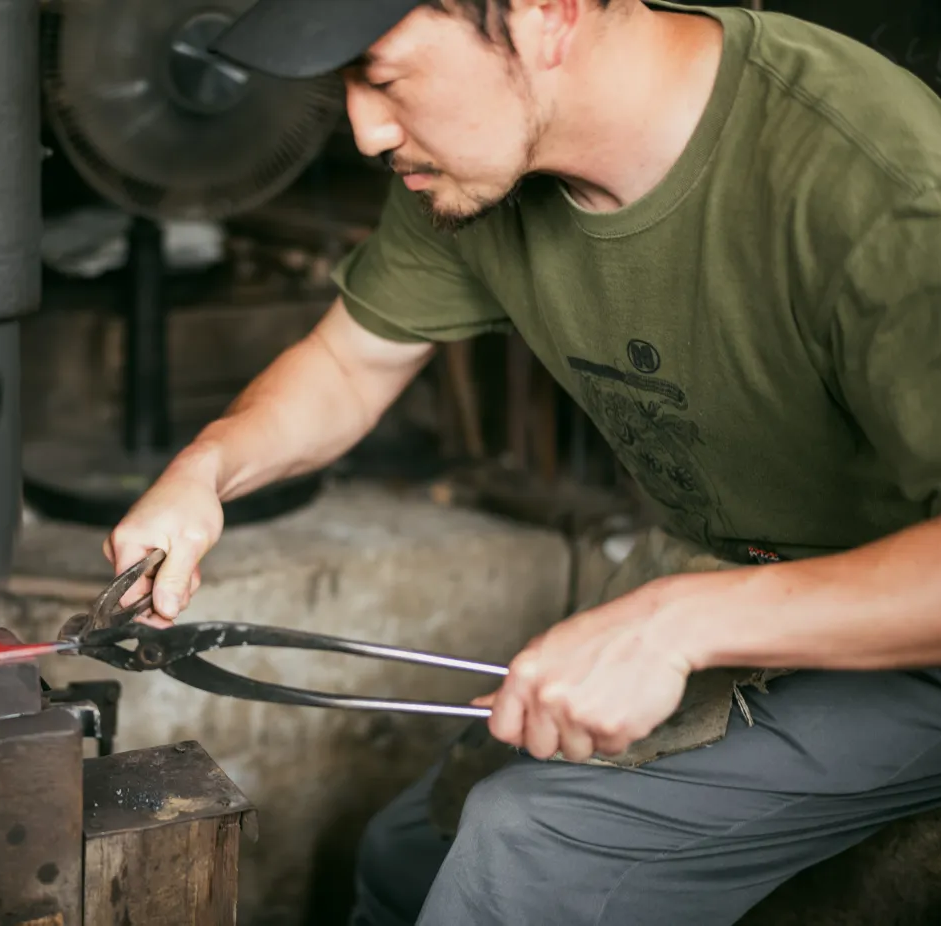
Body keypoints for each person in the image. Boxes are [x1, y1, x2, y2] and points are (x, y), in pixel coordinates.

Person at [104, 0, 941, 922]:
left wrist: (672, 624)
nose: (365, 128)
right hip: (728, 579)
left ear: (548, 14)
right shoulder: (469, 157)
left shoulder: (883, 188)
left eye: (382, 76)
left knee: (522, 847)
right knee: (406, 850)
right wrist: (204, 472)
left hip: (903, 638)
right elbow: (349, 365)